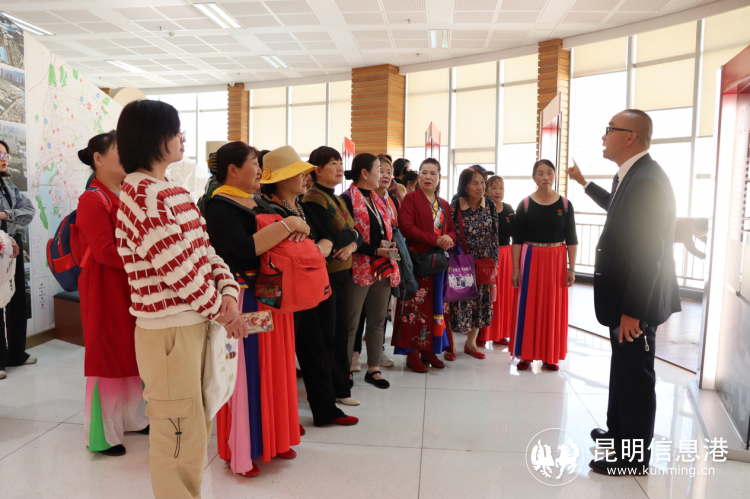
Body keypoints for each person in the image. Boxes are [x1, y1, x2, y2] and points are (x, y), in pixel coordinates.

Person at [115, 100, 243, 498]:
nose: (181, 137)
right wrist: (224, 312)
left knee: (193, 428)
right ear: (154, 138)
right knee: (177, 433)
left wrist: (228, 290)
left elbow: (205, 252)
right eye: (175, 131)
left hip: (194, 323)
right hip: (169, 331)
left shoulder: (171, 190)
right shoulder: (142, 195)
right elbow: (179, 271)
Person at [568, 109, 681, 476]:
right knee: (622, 371)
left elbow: (649, 252)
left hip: (636, 304)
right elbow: (617, 211)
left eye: (609, 129)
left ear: (630, 137)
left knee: (635, 379)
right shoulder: (630, 175)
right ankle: (618, 435)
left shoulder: (647, 180)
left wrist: (633, 310)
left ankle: (633, 458)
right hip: (623, 299)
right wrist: (584, 183)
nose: (603, 137)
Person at [203, 143, 306, 478]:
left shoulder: (259, 200)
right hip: (243, 297)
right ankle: (243, 449)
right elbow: (246, 248)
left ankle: (276, 438)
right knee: (246, 373)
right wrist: (288, 225)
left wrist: (292, 226)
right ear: (233, 170)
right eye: (253, 163)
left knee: (277, 369)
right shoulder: (218, 205)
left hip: (273, 295)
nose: (260, 169)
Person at [259, 145, 359, 429]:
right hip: (286, 291)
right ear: (281, 179)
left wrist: (316, 249)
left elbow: (327, 240)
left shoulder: (298, 206)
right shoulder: (271, 210)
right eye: (298, 173)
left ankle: (325, 410)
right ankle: (285, 419)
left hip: (309, 287)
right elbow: (297, 252)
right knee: (285, 356)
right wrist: (318, 249)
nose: (306, 177)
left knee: (317, 349)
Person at [76, 132, 148, 456]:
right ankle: (102, 434)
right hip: (104, 285)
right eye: (120, 150)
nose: (128, 155)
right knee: (106, 355)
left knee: (131, 351)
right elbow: (105, 252)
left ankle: (133, 418)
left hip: (129, 283)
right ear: (98, 158)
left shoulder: (124, 194)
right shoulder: (92, 199)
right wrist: (148, 258)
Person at [303, 146, 362, 406]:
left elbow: (355, 234)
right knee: (329, 335)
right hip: (325, 276)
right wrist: (351, 237)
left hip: (342, 272)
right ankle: (331, 390)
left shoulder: (336, 198)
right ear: (317, 170)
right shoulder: (314, 199)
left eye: (340, 162)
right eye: (333, 163)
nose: (340, 168)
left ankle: (341, 387)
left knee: (341, 333)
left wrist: (351, 243)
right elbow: (329, 238)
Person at [510, 160, 577, 372]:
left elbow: (572, 239)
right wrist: (515, 270)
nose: (545, 177)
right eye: (540, 173)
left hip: (556, 261)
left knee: (553, 307)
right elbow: (516, 240)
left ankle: (551, 355)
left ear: (555, 176)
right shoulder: (525, 205)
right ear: (534, 177)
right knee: (528, 305)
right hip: (530, 258)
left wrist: (571, 268)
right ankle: (526, 354)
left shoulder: (565, 205)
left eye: (549, 172)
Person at [341, 153, 400, 389]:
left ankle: (373, 368)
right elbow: (350, 236)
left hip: (382, 266)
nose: (382, 175)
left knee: (378, 321)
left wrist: (388, 247)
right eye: (379, 169)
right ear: (365, 173)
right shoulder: (346, 199)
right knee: (351, 323)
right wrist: (376, 251)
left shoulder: (379, 199)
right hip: (358, 267)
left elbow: (386, 229)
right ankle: (344, 369)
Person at [392, 158, 456, 371]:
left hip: (438, 264)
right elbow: (406, 227)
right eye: (424, 172)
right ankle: (412, 352)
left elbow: (453, 230)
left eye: (433, 173)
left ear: (439, 177)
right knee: (414, 307)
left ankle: (430, 349)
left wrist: (448, 238)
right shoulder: (410, 199)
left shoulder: (444, 204)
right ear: (418, 176)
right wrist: (436, 239)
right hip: (417, 263)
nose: (428, 177)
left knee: (436, 308)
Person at [449, 168, 499, 360]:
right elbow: (450, 232)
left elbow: (495, 236)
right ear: (465, 187)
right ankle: (451, 346)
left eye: (482, 183)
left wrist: (495, 263)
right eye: (475, 183)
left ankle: (471, 344)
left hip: (484, 262)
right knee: (457, 303)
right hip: (461, 263)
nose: (481, 187)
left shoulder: (490, 206)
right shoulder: (455, 206)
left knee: (479, 304)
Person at [0, 139, 36, 381]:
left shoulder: (9, 185)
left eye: (6, 155)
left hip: (13, 246)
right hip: (0, 247)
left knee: (17, 300)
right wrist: (13, 216)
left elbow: (29, 211)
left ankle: (16, 353)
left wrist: (5, 214)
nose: (4, 159)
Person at [478, 176, 515, 346]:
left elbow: (516, 234)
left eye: (501, 188)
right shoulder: (482, 208)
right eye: (493, 188)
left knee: (503, 296)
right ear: (486, 190)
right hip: (486, 256)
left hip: (506, 256)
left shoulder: (508, 209)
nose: (498, 191)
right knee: (486, 295)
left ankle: (501, 333)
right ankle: (481, 334)